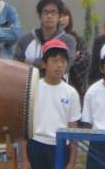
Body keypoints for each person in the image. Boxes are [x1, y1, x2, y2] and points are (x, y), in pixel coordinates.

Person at [21, 40, 81, 169]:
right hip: (36, 144)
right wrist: (25, 159)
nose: (59, 65)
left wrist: (71, 162)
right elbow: (24, 126)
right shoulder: (32, 88)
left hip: (61, 146)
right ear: (44, 64)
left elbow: (73, 129)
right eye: (54, 61)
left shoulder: (71, 93)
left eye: (63, 62)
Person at [14, 0, 76, 70]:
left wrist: (30, 61)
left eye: (53, 12)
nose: (49, 16)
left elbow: (65, 66)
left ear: (59, 16)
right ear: (39, 16)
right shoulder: (25, 39)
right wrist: (43, 63)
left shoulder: (68, 41)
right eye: (45, 12)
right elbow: (16, 65)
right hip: (28, 77)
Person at [59, 5, 90, 102]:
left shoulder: (77, 39)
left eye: (65, 15)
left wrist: (68, 61)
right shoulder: (50, 39)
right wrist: (72, 57)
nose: (62, 19)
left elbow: (85, 59)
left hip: (74, 84)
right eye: (59, 16)